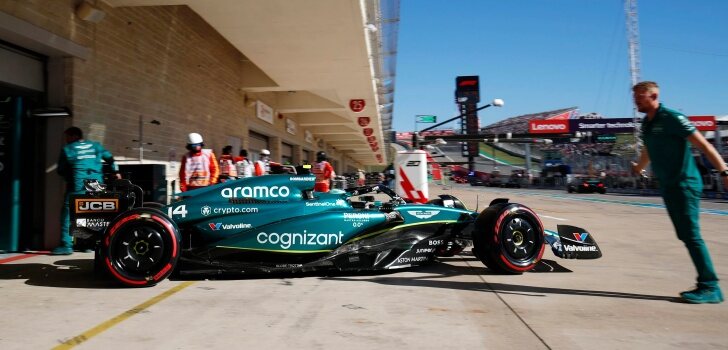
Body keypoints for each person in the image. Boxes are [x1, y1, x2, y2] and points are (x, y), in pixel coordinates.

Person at [630, 81, 728, 304]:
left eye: (640, 96)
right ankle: (707, 284)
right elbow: (648, 149)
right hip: (669, 185)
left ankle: (710, 287)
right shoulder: (647, 123)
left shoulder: (672, 118)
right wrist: (639, 167)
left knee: (691, 235)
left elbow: (705, 145)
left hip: (685, 184)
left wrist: (724, 171)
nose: (636, 100)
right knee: (685, 235)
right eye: (635, 96)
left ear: (654, 95)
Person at [56, 126, 121, 255]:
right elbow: (110, 158)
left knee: (68, 213)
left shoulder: (68, 149)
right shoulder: (95, 146)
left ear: (73, 136)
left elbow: (61, 170)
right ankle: (89, 244)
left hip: (78, 184)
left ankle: (66, 245)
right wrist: (116, 171)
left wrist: (69, 177)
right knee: (91, 212)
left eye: (67, 137)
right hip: (96, 183)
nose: (66, 140)